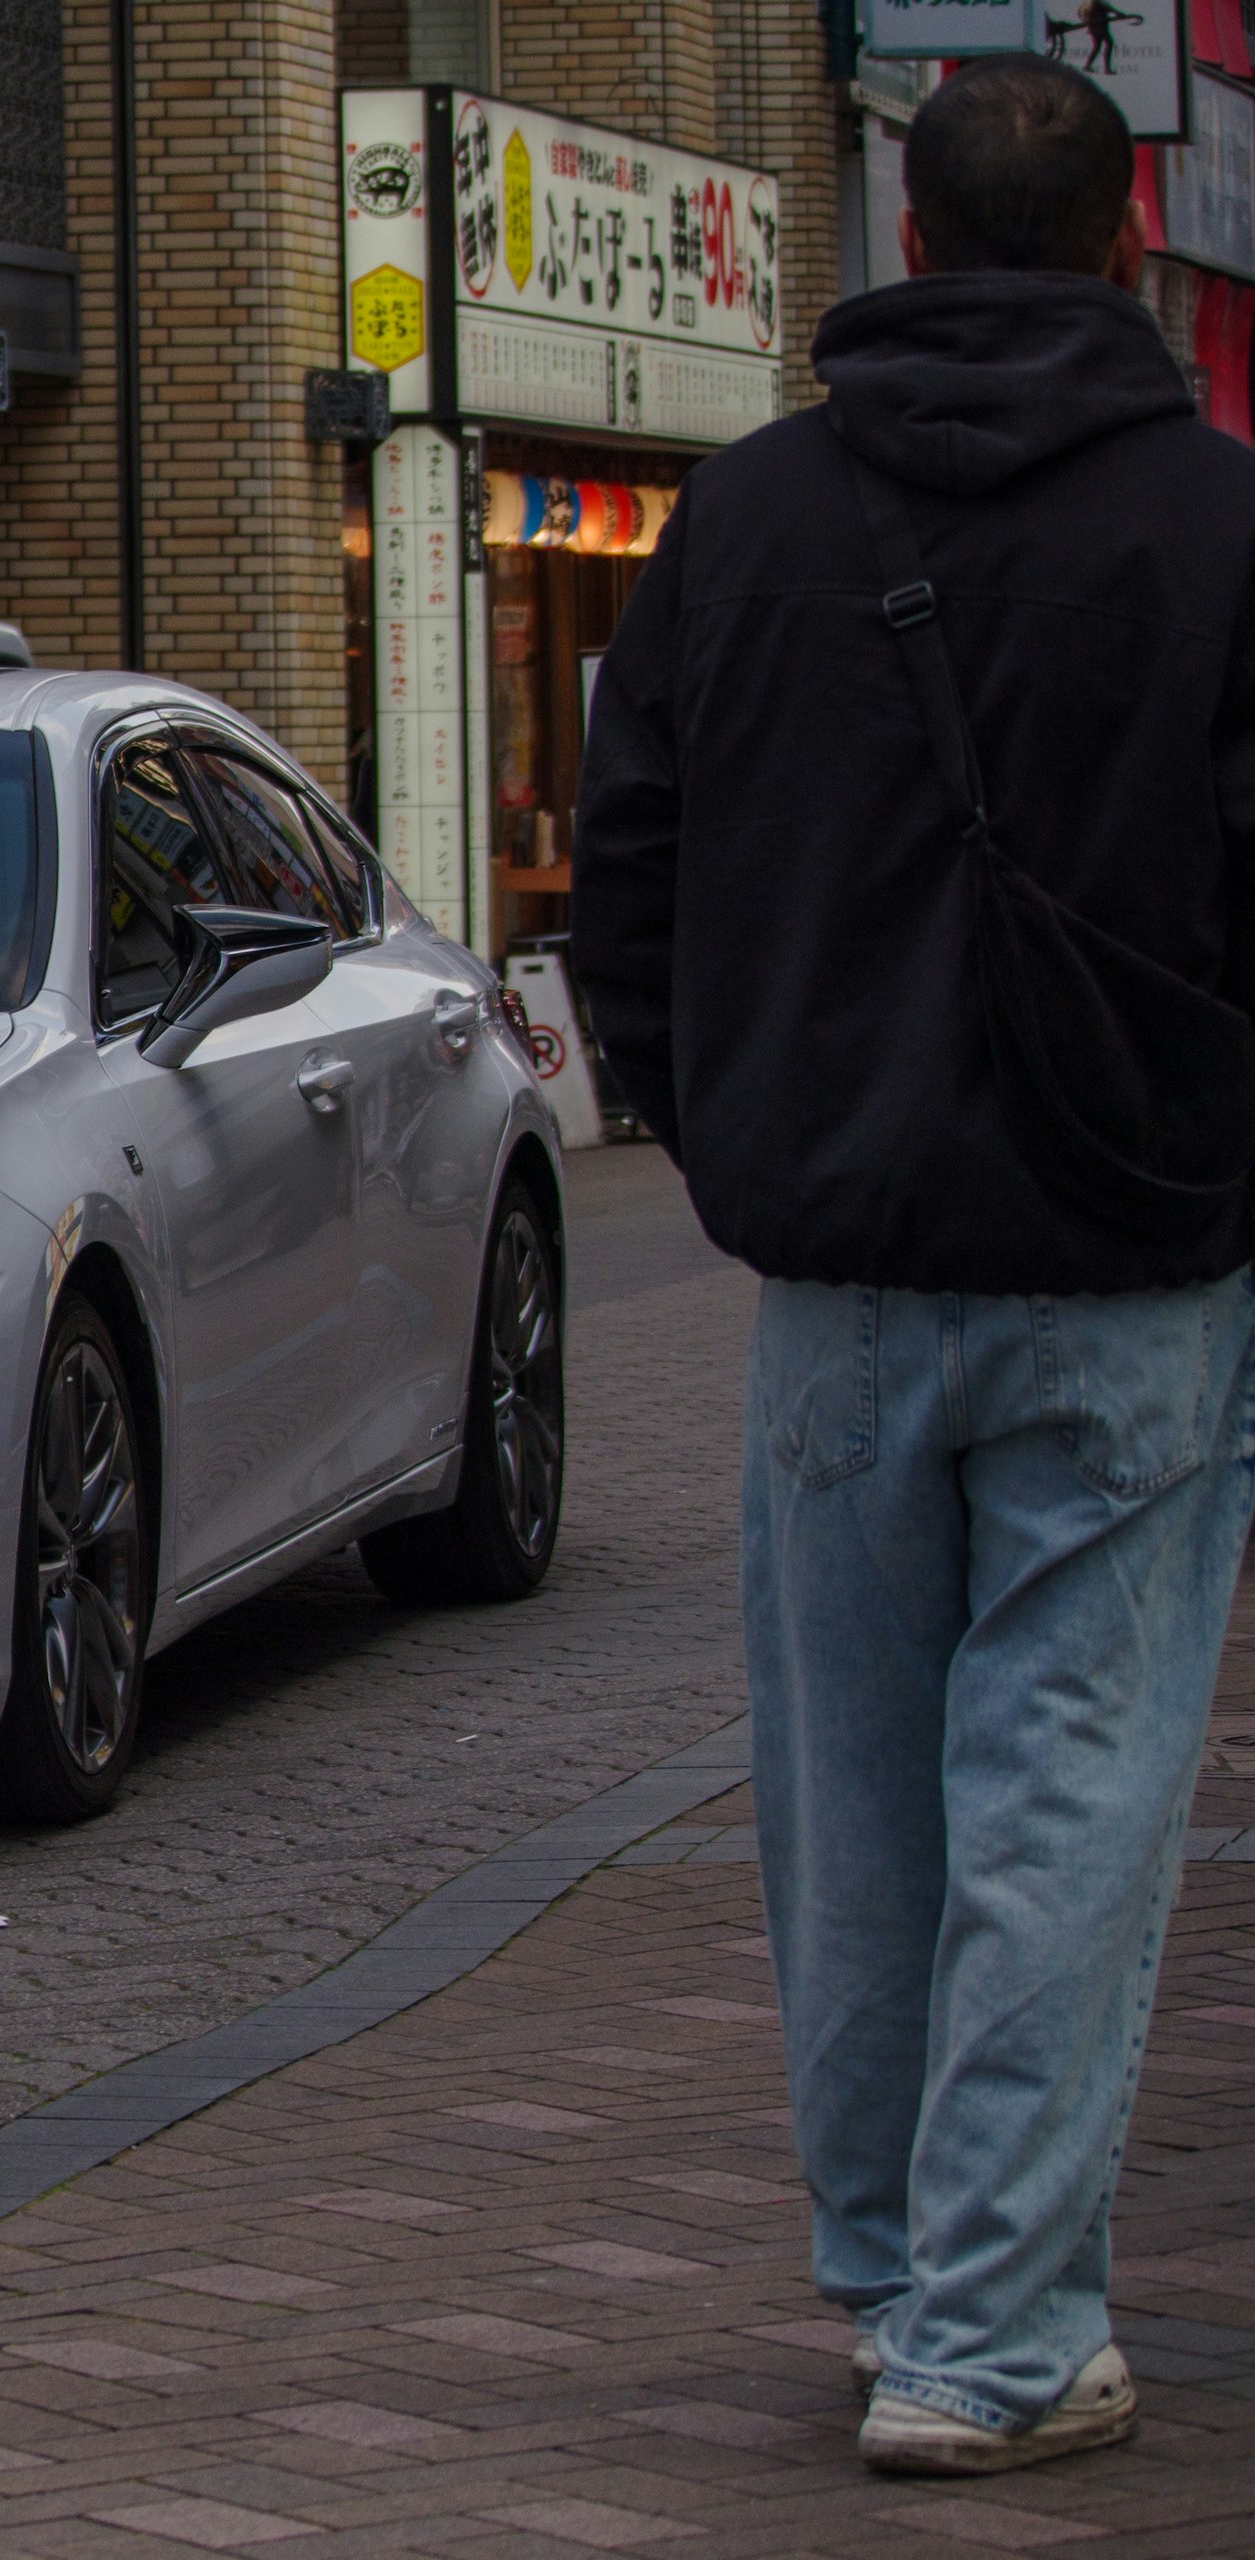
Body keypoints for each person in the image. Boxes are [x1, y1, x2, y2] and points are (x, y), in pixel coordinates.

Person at [576, 56, 1255, 2478]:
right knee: (1068, 1789)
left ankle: (889, 2282)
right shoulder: (1213, 523)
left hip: (839, 1263)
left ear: (903, 215)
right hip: (1133, 1260)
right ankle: (987, 2328)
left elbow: (622, 854)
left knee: (846, 1800)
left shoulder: (747, 519)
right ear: (1122, 232)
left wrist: (716, 1120)